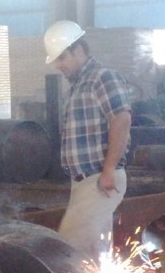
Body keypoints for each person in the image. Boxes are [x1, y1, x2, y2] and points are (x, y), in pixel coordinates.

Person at [43, 20, 132, 260]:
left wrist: (109, 169)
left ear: (79, 50)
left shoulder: (102, 77)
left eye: (62, 58)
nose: (59, 65)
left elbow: (121, 119)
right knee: (94, 254)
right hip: (86, 182)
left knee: (69, 252)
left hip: (99, 179)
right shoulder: (78, 85)